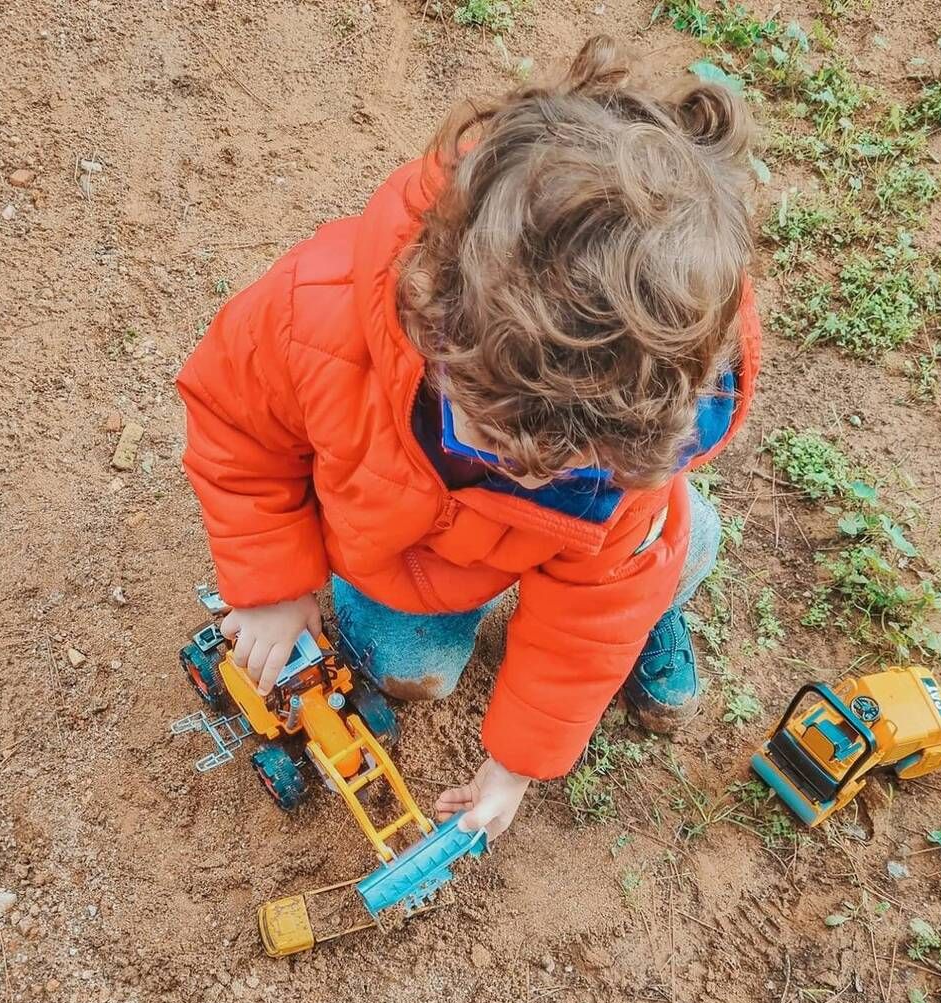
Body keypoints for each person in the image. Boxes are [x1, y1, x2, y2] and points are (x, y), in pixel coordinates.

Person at [176, 35, 762, 842]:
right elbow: (236, 431)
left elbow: (593, 608)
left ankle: (658, 608)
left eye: (566, 466)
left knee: (670, 548)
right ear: (435, 307)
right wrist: (271, 581)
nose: (527, 475)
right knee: (401, 665)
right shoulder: (311, 318)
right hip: (402, 558)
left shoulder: (629, 450)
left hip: (556, 553)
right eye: (495, 437)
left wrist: (517, 761)